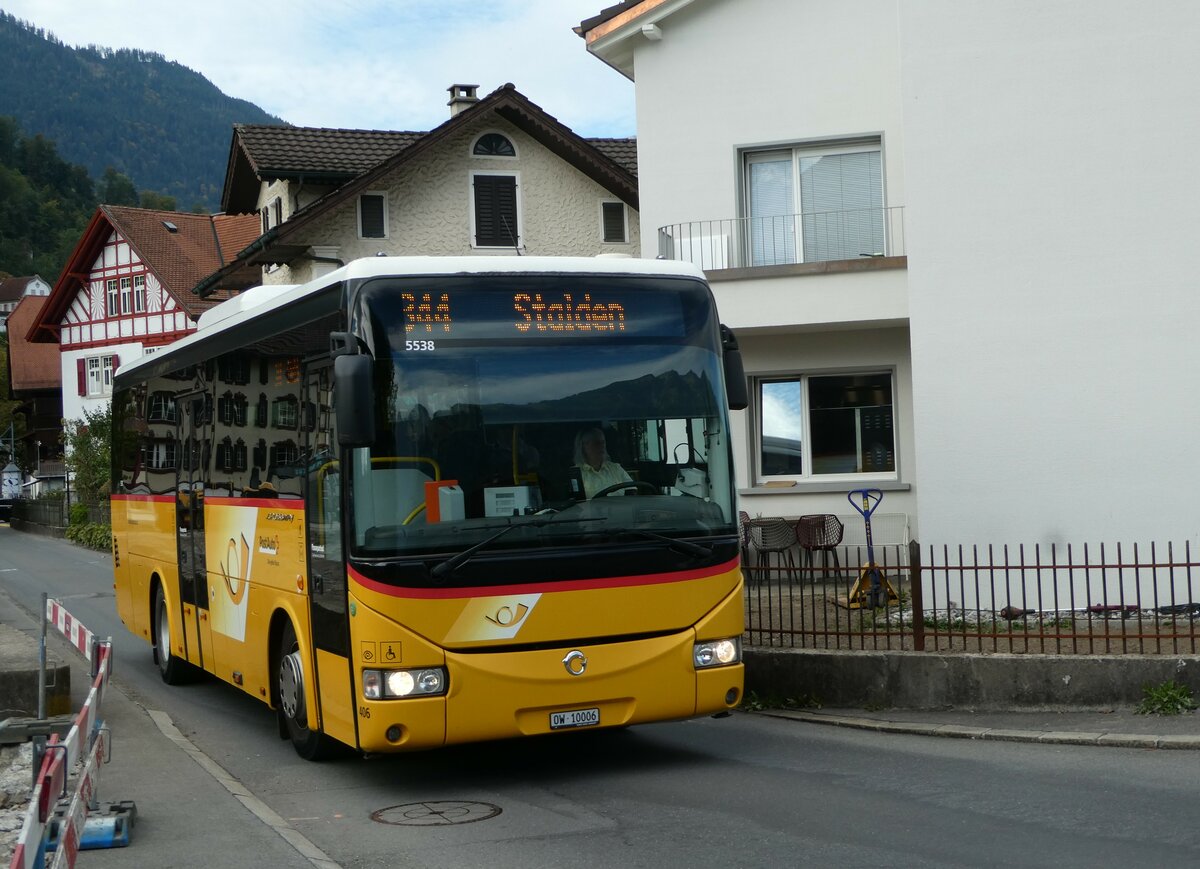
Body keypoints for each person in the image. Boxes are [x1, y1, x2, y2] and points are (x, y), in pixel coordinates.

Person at [573, 427, 632, 498]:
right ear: (584, 446)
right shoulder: (576, 473)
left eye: (603, 442)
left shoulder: (616, 468)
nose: (602, 446)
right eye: (597, 443)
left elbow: (631, 490)